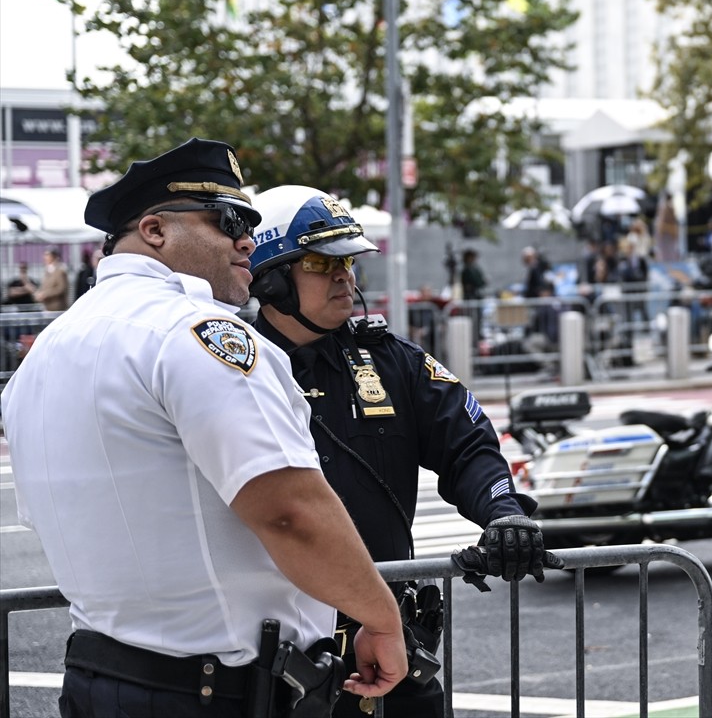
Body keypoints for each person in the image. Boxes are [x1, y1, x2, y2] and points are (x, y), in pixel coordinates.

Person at [0, 139, 408, 717]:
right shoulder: (196, 333)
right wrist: (380, 617)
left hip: (99, 678)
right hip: (209, 692)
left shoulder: (43, 356)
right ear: (155, 231)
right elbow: (289, 511)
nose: (247, 239)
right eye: (228, 221)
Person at [248, 185, 552, 718]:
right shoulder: (229, 367)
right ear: (271, 278)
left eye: (349, 261)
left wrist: (504, 513)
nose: (346, 276)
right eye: (324, 263)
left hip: (393, 647)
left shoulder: (393, 362)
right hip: (279, 659)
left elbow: (468, 446)